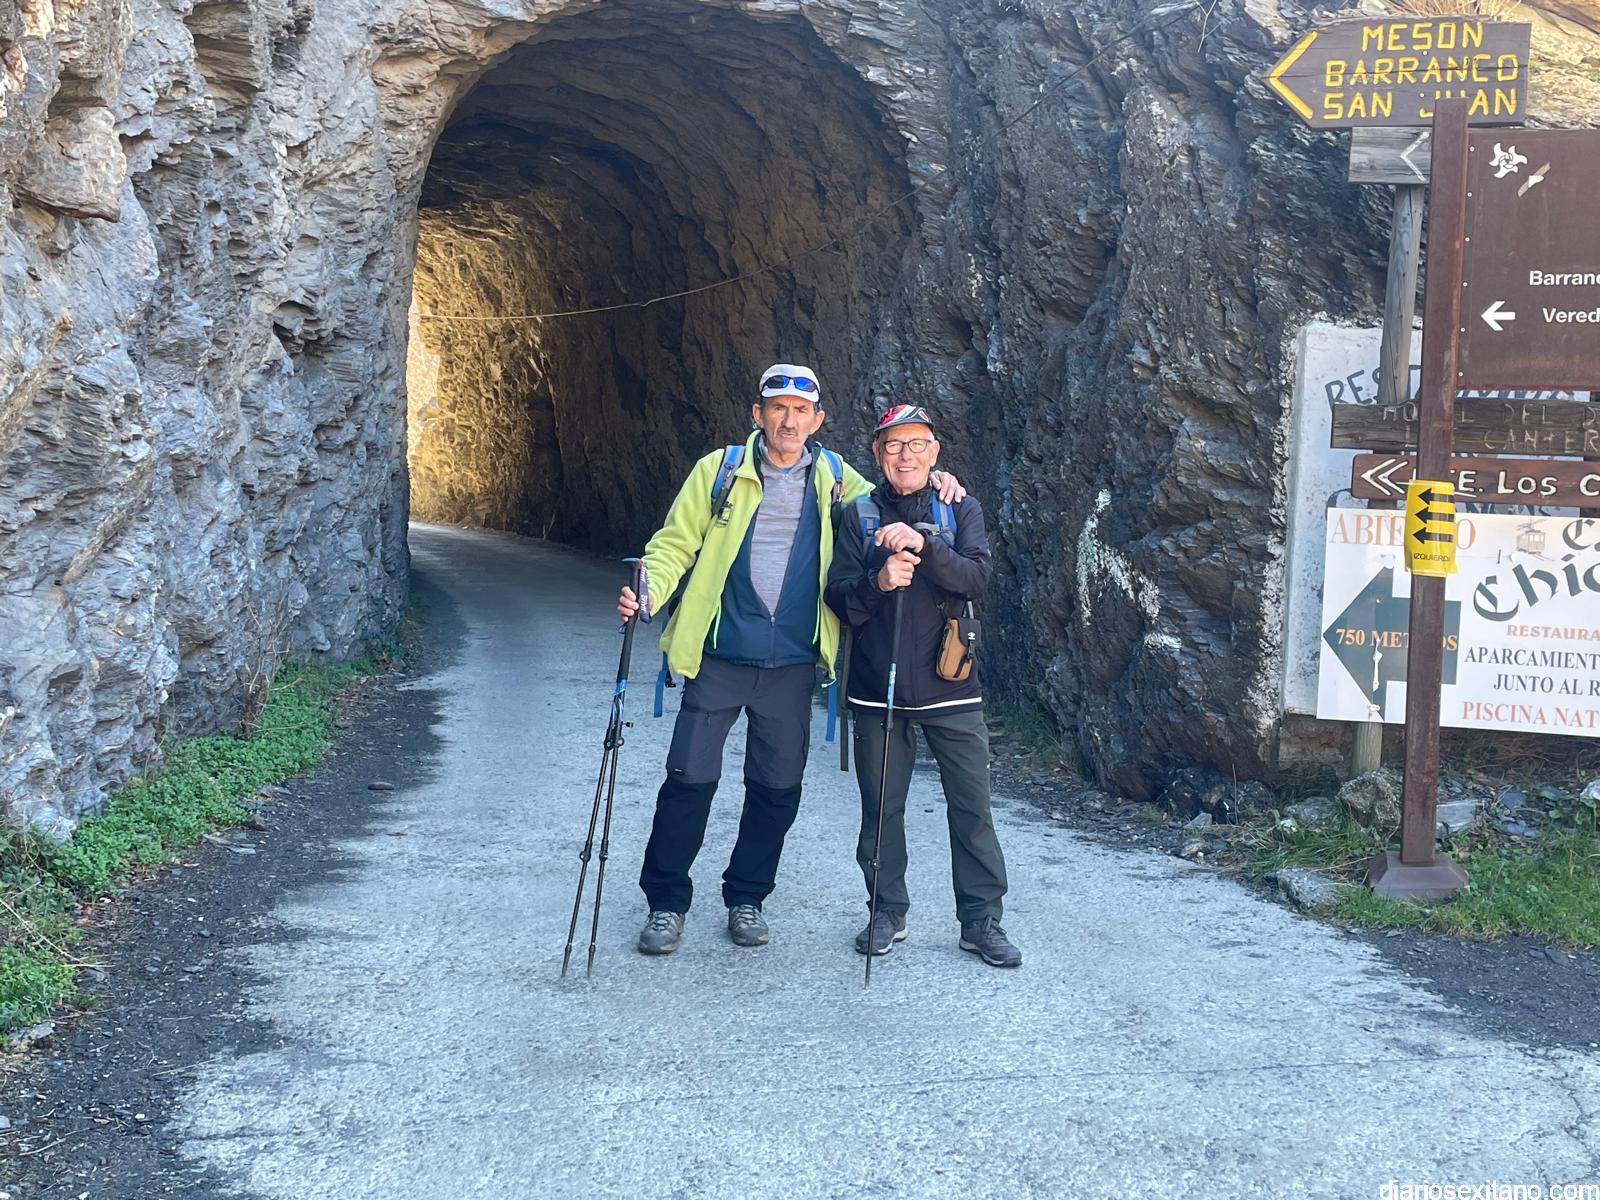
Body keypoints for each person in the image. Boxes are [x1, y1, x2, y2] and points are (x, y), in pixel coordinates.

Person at [617, 367, 964, 956]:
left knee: (776, 789)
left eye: (801, 411)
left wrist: (938, 482)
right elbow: (675, 542)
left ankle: (747, 897)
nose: (788, 420)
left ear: (817, 420)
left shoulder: (837, 480)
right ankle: (666, 903)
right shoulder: (720, 471)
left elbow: (894, 495)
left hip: (794, 664)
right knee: (687, 781)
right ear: (758, 415)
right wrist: (647, 590)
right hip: (719, 657)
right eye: (777, 408)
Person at [823, 404, 1020, 968]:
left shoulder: (960, 507)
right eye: (893, 445)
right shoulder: (857, 515)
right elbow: (838, 597)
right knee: (881, 808)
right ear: (877, 454)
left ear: (934, 453)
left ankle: (980, 921)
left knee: (972, 807)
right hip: (877, 691)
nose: (905, 455)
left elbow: (976, 577)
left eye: (916, 444)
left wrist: (926, 547)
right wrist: (879, 581)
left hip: (951, 685)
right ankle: (886, 910)